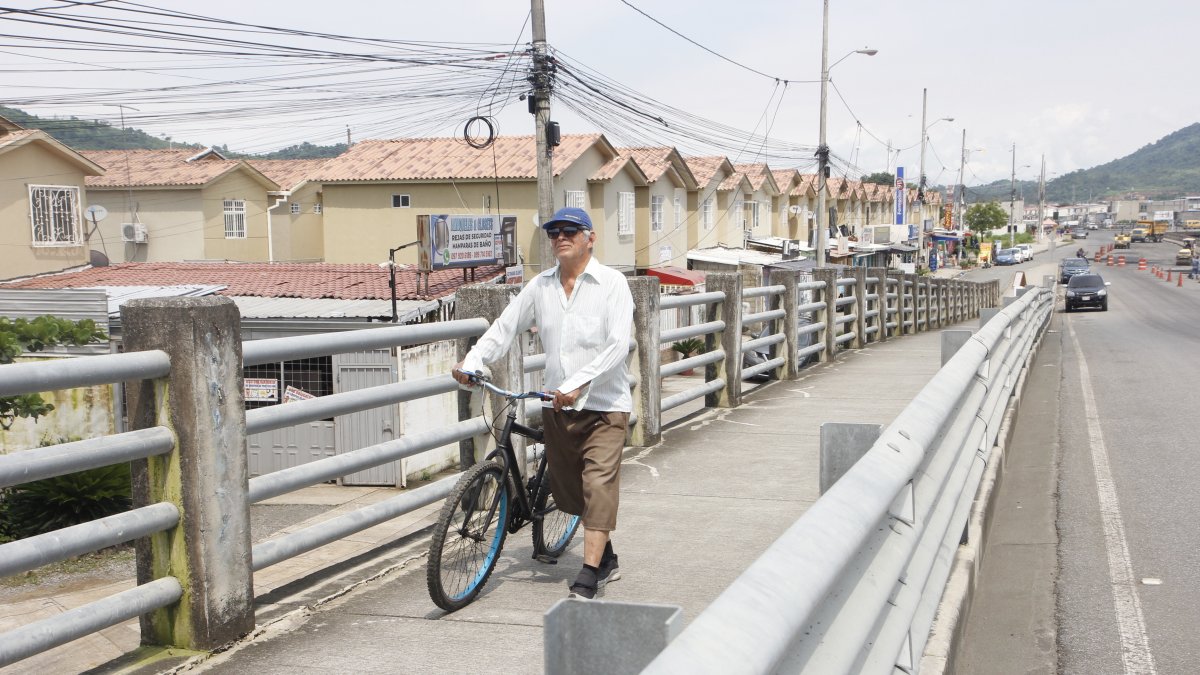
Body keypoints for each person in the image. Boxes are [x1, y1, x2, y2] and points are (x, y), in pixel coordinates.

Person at [453, 206, 633, 601]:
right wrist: (473, 362)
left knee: (596, 485)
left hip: (604, 406)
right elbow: (505, 327)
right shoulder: (540, 287)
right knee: (570, 493)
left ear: (590, 237)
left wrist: (578, 383)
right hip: (558, 407)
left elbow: (619, 344)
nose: (560, 237)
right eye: (553, 232)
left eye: (570, 230)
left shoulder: (613, 284)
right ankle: (605, 555)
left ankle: (589, 574)